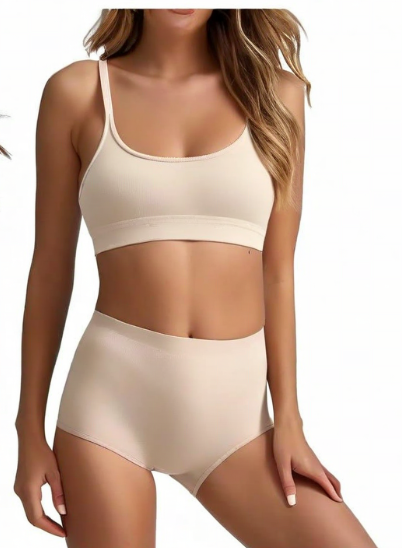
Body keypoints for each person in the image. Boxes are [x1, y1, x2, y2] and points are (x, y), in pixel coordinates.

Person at [13, 9, 378, 548]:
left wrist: (290, 420)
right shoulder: (78, 92)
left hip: (238, 419)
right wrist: (28, 431)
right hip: (110, 407)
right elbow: (49, 267)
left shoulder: (278, 96)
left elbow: (278, 272)